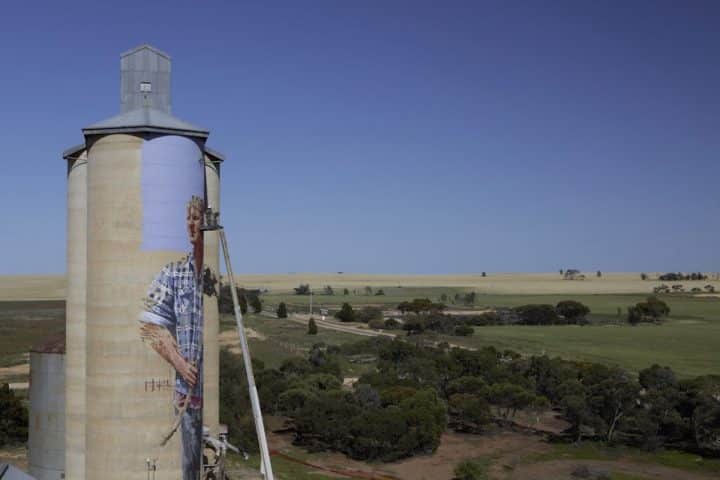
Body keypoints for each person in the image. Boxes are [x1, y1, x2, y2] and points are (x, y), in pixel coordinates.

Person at [139, 195, 205, 480]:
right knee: (189, 465)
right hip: (188, 394)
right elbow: (147, 326)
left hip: (211, 390)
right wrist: (177, 361)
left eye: (197, 218)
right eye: (189, 219)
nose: (192, 225)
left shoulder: (216, 273)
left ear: (209, 223)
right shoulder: (173, 273)